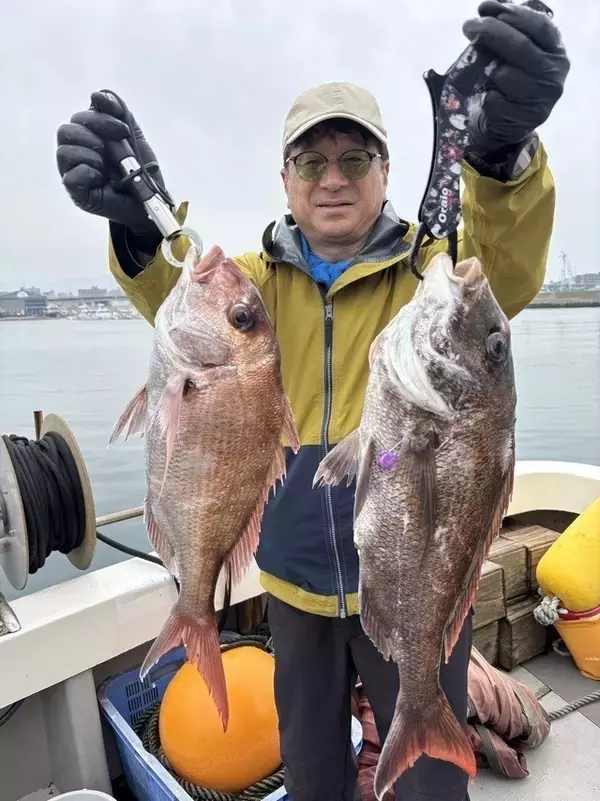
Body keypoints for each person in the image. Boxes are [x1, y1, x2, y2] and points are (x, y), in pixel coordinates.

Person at [56, 3, 569, 799]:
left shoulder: (431, 273)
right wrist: (133, 230)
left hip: (408, 573)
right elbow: (177, 301)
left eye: (355, 158)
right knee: (315, 769)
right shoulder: (253, 286)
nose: (333, 179)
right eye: (311, 161)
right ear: (285, 178)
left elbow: (502, 266)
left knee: (433, 779)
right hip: (293, 587)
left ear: (386, 173)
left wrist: (502, 162)